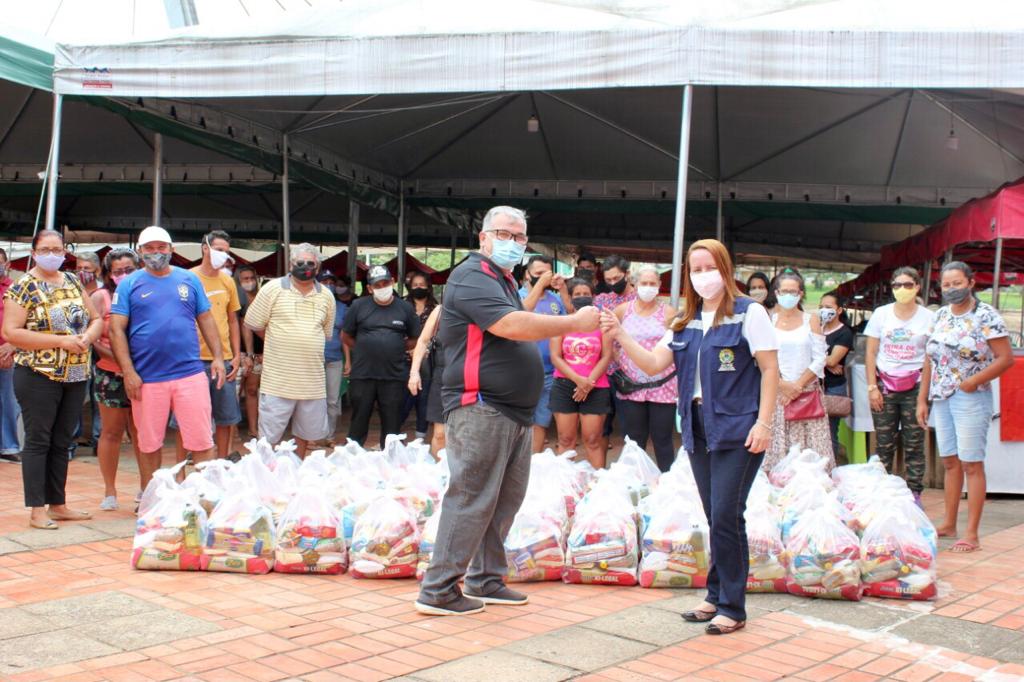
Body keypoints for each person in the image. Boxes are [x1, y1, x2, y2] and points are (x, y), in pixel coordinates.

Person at [416, 206, 600, 616]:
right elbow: (511, 326)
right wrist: (574, 323)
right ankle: (439, 589)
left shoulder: (502, 279)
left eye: (520, 238)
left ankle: (485, 578)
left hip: (510, 411)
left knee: (503, 499)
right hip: (481, 405)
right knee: (471, 496)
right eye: (506, 234)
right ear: (484, 238)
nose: (514, 243)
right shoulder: (471, 277)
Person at [601, 238, 778, 635]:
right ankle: (715, 596)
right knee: (715, 514)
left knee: (727, 516)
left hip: (740, 428)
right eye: (695, 270)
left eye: (709, 267)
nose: (702, 276)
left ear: (725, 269)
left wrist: (764, 423)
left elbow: (769, 369)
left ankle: (733, 606)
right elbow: (651, 364)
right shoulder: (685, 321)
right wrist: (622, 334)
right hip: (698, 427)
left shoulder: (749, 314)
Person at [109, 226, 225, 492]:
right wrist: (128, 372)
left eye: (161, 247)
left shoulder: (189, 279)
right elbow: (116, 329)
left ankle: (203, 498)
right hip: (147, 378)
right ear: (140, 252)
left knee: (201, 441)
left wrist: (218, 357)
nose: (156, 253)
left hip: (190, 373)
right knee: (149, 444)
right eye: (149, 248)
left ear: (171, 250)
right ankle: (154, 497)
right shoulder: (129, 283)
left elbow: (206, 318)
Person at [3, 230, 103, 529]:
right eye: (45, 249)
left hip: (75, 373)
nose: (52, 254)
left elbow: (96, 318)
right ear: (33, 252)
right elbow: (11, 332)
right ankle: (36, 508)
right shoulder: (23, 288)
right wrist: (59, 342)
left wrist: (86, 337)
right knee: (38, 440)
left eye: (57, 249)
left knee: (62, 440)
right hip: (37, 374)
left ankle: (58, 503)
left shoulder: (72, 281)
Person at [917, 262, 1013, 553]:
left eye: (957, 283)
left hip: (971, 397)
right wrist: (923, 399)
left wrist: (973, 381)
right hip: (942, 397)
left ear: (971, 283)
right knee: (949, 461)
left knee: (972, 463)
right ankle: (948, 522)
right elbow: (929, 359)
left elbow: (1004, 358)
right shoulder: (941, 315)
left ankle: (971, 533)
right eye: (946, 285)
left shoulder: (986, 316)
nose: (951, 290)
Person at [245, 244, 335, 457]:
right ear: (291, 264)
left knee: (306, 433)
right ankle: (266, 473)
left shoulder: (327, 296)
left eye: (310, 263)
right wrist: (277, 340)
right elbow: (253, 323)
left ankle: (296, 468)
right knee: (269, 436)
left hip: (311, 382)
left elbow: (326, 332)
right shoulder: (272, 289)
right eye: (300, 263)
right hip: (278, 380)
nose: (305, 267)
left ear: (318, 266)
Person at [864, 266, 933, 504]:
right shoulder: (881, 314)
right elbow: (871, 352)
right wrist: (872, 387)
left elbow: (930, 356)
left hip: (915, 385)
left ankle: (914, 492)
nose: (902, 290)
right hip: (884, 384)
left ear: (917, 286)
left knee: (914, 442)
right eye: (897, 285)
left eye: (907, 285)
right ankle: (882, 492)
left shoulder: (929, 318)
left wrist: (923, 396)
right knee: (884, 442)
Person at [174, 231, 243, 460]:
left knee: (225, 417)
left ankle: (220, 465)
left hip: (222, 359)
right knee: (187, 416)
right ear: (205, 248)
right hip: (192, 360)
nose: (223, 255)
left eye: (226, 251)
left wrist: (235, 355)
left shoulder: (227, 281)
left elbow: (233, 320)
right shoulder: (186, 278)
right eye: (219, 249)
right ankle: (182, 469)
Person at [343, 265, 420, 447]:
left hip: (394, 375)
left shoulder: (405, 308)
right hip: (363, 374)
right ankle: (354, 460)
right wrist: (365, 348)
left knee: (392, 424)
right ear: (370, 288)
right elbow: (346, 336)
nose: (382, 287)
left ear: (392, 282)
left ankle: (390, 462)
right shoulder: (358, 306)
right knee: (358, 422)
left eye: (386, 283)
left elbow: (415, 338)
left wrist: (396, 347)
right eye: (377, 285)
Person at [764, 268, 833, 471]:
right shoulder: (768, 320)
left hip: (807, 393)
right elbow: (762, 358)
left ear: (801, 293)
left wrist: (798, 386)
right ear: (776, 293)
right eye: (784, 291)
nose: (788, 296)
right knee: (777, 456)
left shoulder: (810, 319)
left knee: (812, 456)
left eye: (793, 292)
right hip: (777, 394)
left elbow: (820, 357)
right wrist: (782, 385)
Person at [91, 248, 144, 510]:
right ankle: (109, 491)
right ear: (109, 274)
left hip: (143, 372)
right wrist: (121, 361)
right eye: (117, 271)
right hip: (110, 373)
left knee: (142, 433)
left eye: (129, 270)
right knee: (111, 432)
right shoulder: (101, 297)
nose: (123, 275)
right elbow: (92, 337)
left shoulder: (146, 294)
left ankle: (146, 488)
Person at [612, 264, 678, 472]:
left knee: (662, 438)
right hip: (632, 387)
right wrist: (621, 360)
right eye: (644, 283)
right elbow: (611, 341)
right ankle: (635, 481)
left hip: (663, 386)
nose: (648, 287)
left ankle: (667, 482)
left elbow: (675, 347)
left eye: (652, 283)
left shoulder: (668, 313)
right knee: (634, 439)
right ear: (634, 284)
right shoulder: (623, 311)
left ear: (659, 285)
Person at [550, 278, 612, 468]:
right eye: (577, 294)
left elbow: (607, 356)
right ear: (570, 297)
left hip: (596, 387)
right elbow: (556, 356)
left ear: (593, 297)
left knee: (593, 440)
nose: (582, 297)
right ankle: (565, 487)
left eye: (586, 294)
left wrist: (588, 383)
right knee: (565, 440)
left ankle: (598, 487)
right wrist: (579, 380)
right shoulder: (561, 322)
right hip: (564, 385)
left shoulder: (603, 324)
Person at [518, 255, 570, 453]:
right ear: (527, 274)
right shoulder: (516, 297)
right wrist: (540, 285)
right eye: (538, 274)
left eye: (546, 274)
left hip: (550, 373)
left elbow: (572, 319)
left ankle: (534, 465)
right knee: (517, 421)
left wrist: (563, 288)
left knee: (540, 422)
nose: (543, 278)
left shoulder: (556, 300)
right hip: (520, 373)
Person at [73, 251, 104, 455]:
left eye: (87, 269)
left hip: (102, 351)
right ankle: (70, 443)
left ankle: (99, 442)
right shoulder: (71, 289)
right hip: (78, 349)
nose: (82, 272)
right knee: (75, 397)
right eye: (79, 268)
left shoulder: (105, 290)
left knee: (99, 397)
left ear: (98, 270)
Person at [402, 271, 438, 439]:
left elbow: (437, 334)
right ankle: (394, 431)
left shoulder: (435, 308)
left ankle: (420, 436)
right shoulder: (402, 306)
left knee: (424, 396)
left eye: (421, 284)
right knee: (404, 397)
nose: (418, 287)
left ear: (428, 287)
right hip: (403, 358)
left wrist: (423, 350)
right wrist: (407, 348)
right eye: (415, 284)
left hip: (427, 359)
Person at [819, 293, 854, 461]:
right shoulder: (816, 328)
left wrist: (820, 359)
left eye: (829, 307)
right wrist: (827, 362)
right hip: (814, 386)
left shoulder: (844, 333)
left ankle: (830, 467)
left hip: (833, 388)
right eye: (821, 307)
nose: (824, 311)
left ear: (839, 310)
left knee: (830, 431)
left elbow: (833, 359)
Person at [318, 270, 350, 443]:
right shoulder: (311, 304)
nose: (329, 285)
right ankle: (314, 436)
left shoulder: (343, 308)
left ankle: (328, 436)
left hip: (335, 359)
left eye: (331, 282)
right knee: (314, 399)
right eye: (325, 282)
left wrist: (348, 361)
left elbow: (344, 336)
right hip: (314, 359)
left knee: (332, 399)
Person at [409, 304, 446, 456]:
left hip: (474, 378)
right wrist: (414, 373)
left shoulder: (483, 306)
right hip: (443, 377)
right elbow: (423, 341)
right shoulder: (441, 311)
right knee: (440, 434)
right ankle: (441, 475)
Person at [236, 265, 263, 438]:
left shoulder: (262, 298)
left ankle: (254, 429)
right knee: (234, 393)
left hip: (259, 353)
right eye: (244, 279)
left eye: (251, 278)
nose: (249, 282)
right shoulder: (235, 300)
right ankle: (232, 431)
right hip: (237, 352)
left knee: (253, 390)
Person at [0, 248, 20, 463]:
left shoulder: (15, 288)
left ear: (7, 264)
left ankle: (8, 446)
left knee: (8, 401)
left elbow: (24, 320)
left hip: (7, 352)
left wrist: (11, 345)